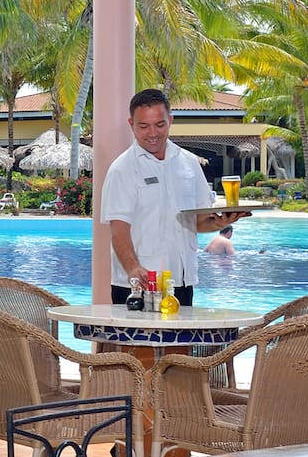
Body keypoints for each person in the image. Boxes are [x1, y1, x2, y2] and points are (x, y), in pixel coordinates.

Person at [100, 88, 243, 306]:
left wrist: (220, 223)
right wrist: (133, 268)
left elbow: (196, 222)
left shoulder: (189, 163)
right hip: (138, 285)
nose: (152, 133)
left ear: (171, 121)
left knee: (183, 331)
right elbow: (118, 230)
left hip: (181, 282)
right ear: (131, 124)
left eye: (160, 124)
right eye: (143, 126)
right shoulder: (122, 169)